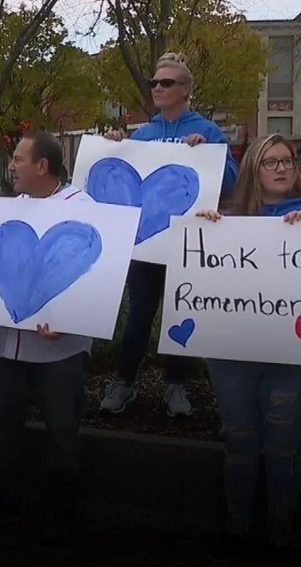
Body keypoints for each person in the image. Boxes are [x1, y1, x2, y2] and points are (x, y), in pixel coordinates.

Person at [194, 134, 301, 564]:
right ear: (253, 169)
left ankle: (280, 529)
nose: (280, 168)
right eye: (269, 162)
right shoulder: (229, 221)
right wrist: (202, 232)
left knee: (282, 445)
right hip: (234, 355)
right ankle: (237, 524)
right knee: (239, 440)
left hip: (294, 358)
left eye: (286, 161)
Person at [0, 131, 92, 543]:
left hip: (60, 350)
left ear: (42, 166)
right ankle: (1, 504)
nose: (11, 166)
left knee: (62, 432)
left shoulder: (85, 209)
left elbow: (98, 274)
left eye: (17, 159)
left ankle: (59, 513)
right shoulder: (7, 211)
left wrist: (70, 316)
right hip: (7, 347)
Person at [99, 52, 240, 418]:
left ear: (186, 90)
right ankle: (124, 382)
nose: (158, 88)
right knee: (139, 315)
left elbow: (230, 182)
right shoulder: (142, 134)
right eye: (154, 83)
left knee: (181, 313)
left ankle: (176, 386)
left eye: (167, 83)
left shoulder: (208, 131)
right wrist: (113, 144)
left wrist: (209, 155)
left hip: (187, 241)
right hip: (146, 243)